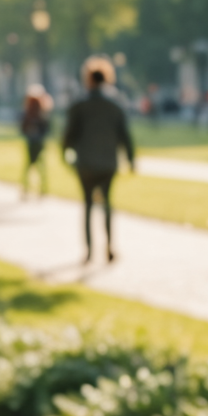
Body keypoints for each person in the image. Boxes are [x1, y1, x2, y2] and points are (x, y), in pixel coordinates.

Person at [62, 57, 136, 263]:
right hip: (108, 162)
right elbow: (125, 135)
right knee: (107, 204)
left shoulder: (79, 105)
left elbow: (69, 135)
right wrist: (130, 159)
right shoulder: (116, 104)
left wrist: (65, 153)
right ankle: (110, 246)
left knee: (87, 205)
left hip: (85, 162)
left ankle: (89, 250)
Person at [19, 85, 52, 200]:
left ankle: (37, 189)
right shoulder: (33, 114)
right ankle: (34, 189)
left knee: (34, 167)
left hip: (36, 142)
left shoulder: (38, 114)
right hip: (34, 142)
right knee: (35, 167)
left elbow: (46, 128)